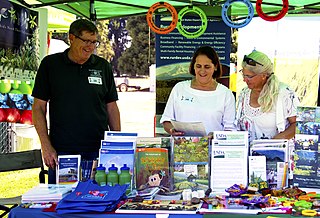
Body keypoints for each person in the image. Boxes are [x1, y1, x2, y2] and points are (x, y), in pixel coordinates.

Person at [32, 19, 121, 183]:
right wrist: (46, 145)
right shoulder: (50, 65)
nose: (90, 47)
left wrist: (117, 144)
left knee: (98, 201)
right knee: (62, 203)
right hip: (62, 153)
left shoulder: (102, 66)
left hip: (99, 151)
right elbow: (38, 108)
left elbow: (111, 107)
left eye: (94, 42)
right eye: (86, 41)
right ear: (71, 38)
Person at [160, 46, 236, 136]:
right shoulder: (179, 88)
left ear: (215, 67)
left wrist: (216, 136)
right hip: (181, 147)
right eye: (198, 66)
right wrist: (172, 130)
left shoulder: (225, 94)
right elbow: (166, 120)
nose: (202, 71)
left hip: (213, 148)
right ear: (193, 67)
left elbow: (230, 129)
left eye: (207, 67)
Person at [236, 50, 299, 142]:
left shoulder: (284, 93)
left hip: (276, 154)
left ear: (263, 75)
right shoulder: (244, 93)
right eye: (243, 74)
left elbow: (297, 125)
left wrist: (272, 143)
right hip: (248, 154)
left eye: (249, 76)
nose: (244, 80)